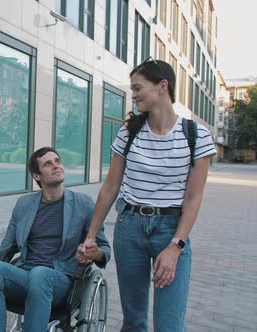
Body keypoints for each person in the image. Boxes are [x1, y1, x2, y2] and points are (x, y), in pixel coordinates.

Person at [79, 57, 216, 332]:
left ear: (162, 86)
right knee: (134, 321)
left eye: (138, 88)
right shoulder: (128, 133)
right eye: (132, 89)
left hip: (171, 230)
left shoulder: (196, 135)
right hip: (129, 227)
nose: (134, 95)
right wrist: (91, 235)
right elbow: (110, 187)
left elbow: (193, 197)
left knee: (169, 324)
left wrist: (175, 247)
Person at [0, 147, 111, 332]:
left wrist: (94, 252)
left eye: (57, 161)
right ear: (37, 176)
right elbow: (7, 247)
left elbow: (104, 248)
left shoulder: (83, 203)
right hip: (25, 275)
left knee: (40, 274)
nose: (56, 166)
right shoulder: (24, 205)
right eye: (48, 164)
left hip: (61, 280)